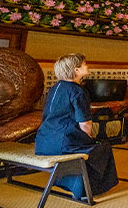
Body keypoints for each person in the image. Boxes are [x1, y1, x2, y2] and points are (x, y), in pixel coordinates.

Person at [35, 53, 118, 200]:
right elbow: (85, 123)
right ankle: (85, 191)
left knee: (92, 147)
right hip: (65, 142)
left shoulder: (54, 88)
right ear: (76, 70)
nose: (87, 65)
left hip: (43, 142)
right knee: (101, 147)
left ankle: (71, 184)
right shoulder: (78, 91)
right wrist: (89, 137)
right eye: (84, 64)